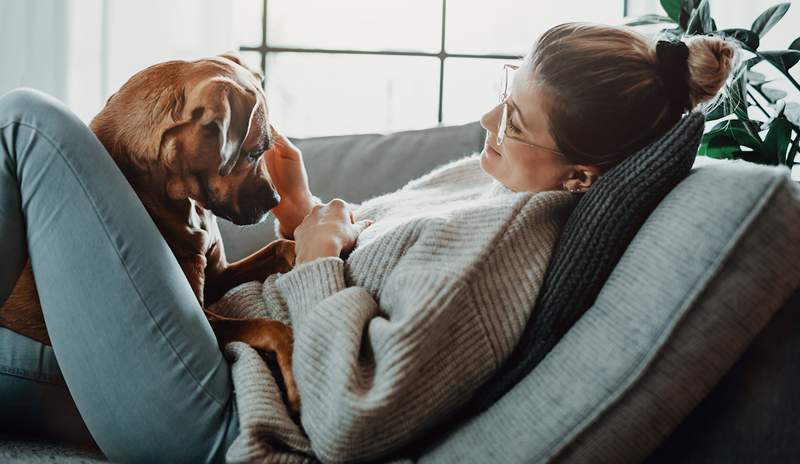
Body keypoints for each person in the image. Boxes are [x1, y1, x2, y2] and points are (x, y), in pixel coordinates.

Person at [0, 22, 735, 463]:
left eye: (514, 120)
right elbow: (354, 264)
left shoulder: (504, 247)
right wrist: (304, 213)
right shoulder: (485, 187)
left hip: (217, 410)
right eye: (505, 89)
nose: (485, 119)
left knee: (27, 124)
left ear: (579, 177)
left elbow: (352, 415)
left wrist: (317, 257)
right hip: (205, 343)